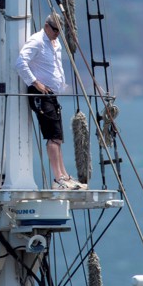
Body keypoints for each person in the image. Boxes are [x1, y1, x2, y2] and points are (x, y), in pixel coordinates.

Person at [16, 12, 84, 190]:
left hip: (52, 95)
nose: (57, 33)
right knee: (53, 137)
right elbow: (20, 62)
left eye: (59, 31)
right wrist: (35, 82)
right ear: (46, 26)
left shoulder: (56, 42)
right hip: (41, 94)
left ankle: (64, 175)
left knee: (58, 137)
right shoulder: (37, 41)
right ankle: (58, 178)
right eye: (55, 30)